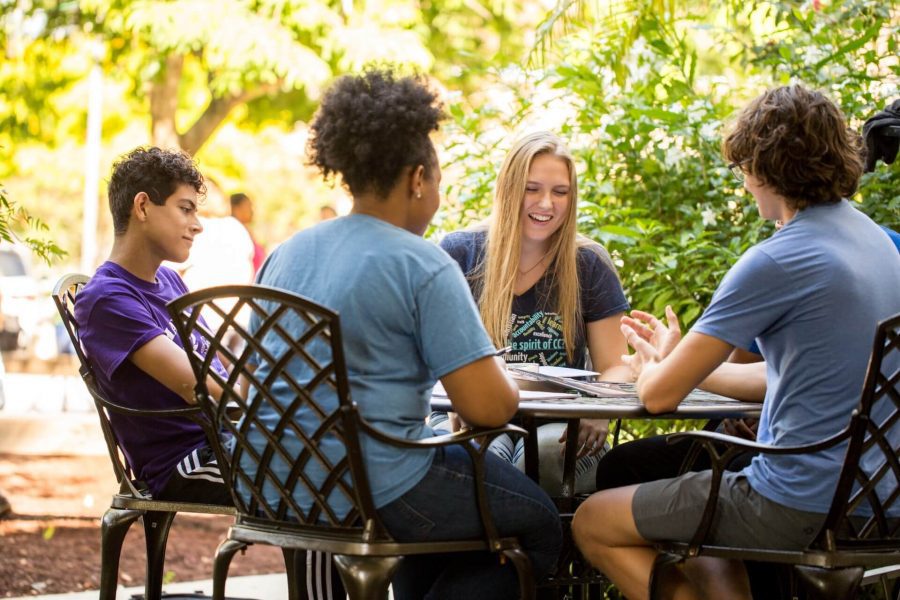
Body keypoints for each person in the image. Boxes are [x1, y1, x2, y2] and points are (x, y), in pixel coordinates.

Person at [572, 85, 900, 599]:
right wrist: (680, 363)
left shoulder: (777, 259)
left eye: (742, 167)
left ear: (764, 167)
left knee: (593, 521)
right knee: (702, 526)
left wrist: (654, 367)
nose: (744, 183)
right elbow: (795, 376)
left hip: (800, 500)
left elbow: (658, 398)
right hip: (879, 499)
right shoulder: (877, 244)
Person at [244, 68, 562, 599]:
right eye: (437, 180)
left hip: (274, 478)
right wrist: (501, 370)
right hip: (375, 484)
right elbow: (488, 409)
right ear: (418, 179)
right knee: (540, 525)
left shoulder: (286, 253)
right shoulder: (422, 263)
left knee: (456, 520)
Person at [435, 130, 631, 495]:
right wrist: (454, 407)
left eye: (560, 192)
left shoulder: (588, 263)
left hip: (558, 424)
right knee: (476, 457)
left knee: (543, 459)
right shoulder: (460, 253)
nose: (546, 203)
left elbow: (618, 365)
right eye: (532, 188)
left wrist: (599, 406)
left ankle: (539, 551)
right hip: (465, 414)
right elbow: (432, 357)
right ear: (509, 188)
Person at [74, 147, 231, 505]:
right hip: (187, 462)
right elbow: (199, 387)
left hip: (222, 440)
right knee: (319, 478)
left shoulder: (170, 281)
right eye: (185, 208)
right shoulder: (107, 299)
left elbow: (218, 364)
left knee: (338, 461)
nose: (198, 224)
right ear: (142, 206)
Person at [230, 192, 266, 274]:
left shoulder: (247, 232)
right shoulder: (234, 233)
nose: (252, 210)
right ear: (236, 208)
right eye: (248, 206)